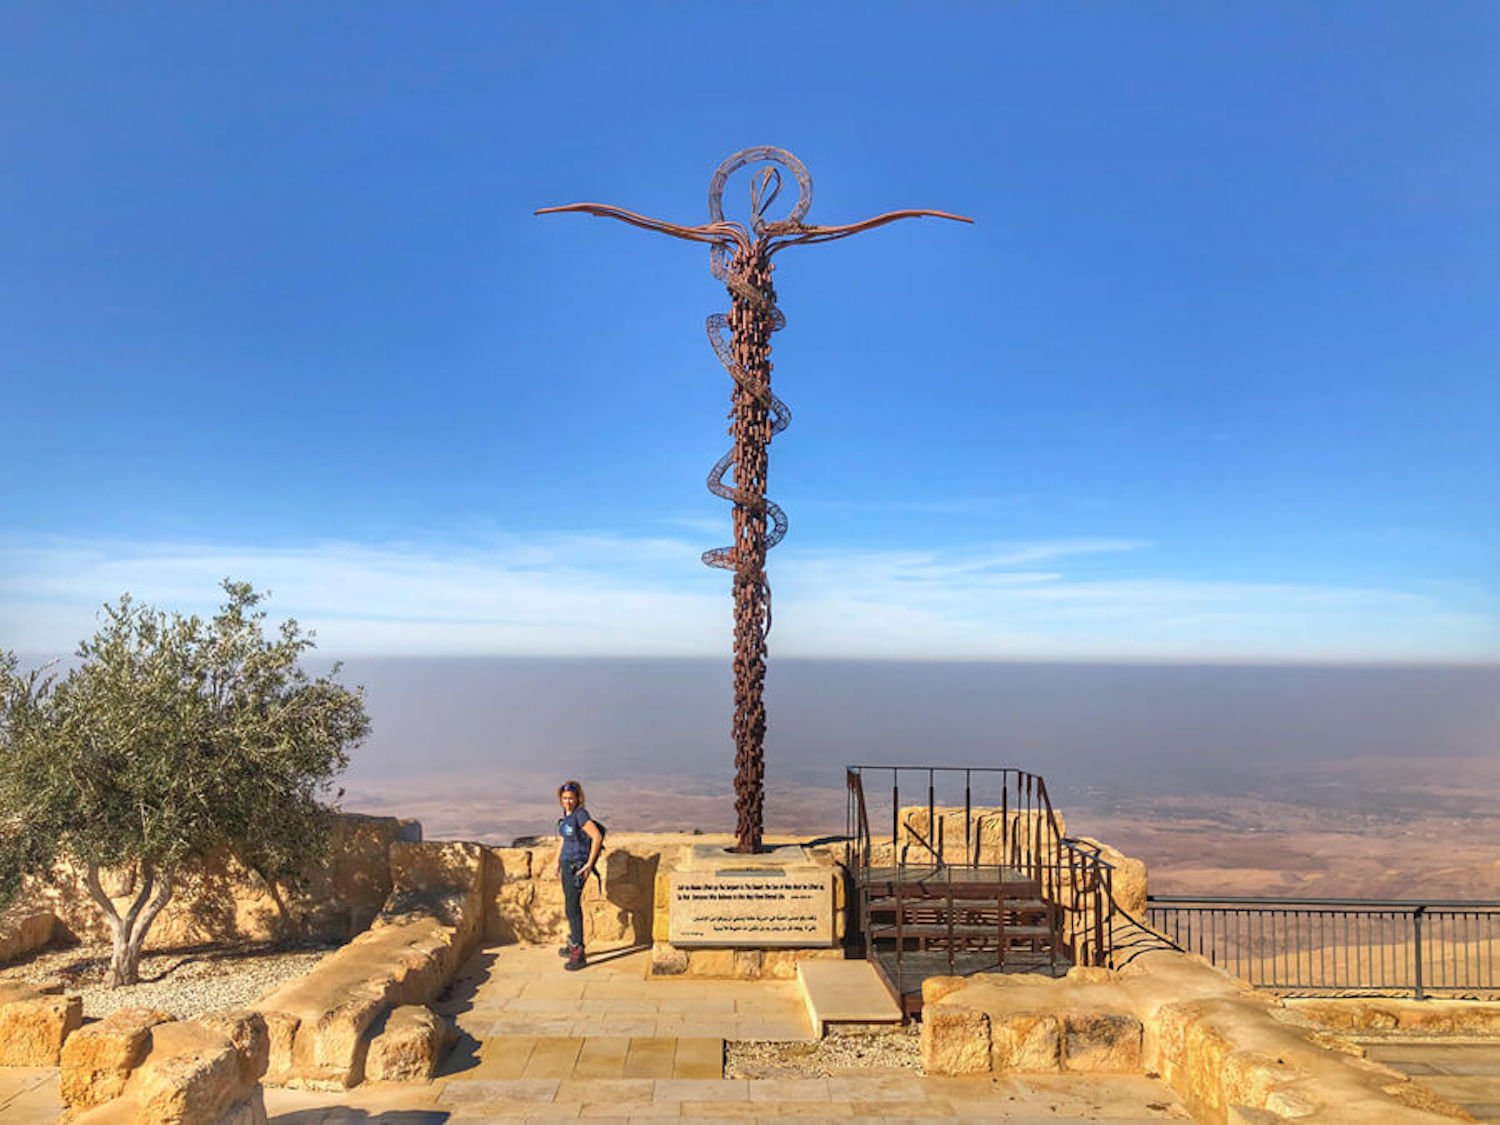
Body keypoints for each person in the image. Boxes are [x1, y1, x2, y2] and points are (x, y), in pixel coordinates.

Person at [556, 779, 603, 971]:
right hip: (566, 864)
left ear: (578, 799)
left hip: (576, 865)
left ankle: (579, 951)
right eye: (565, 798)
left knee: (573, 907)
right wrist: (557, 862)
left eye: (571, 798)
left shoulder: (581, 815)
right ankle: (573, 942)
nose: (568, 801)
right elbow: (564, 840)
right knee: (570, 906)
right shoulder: (567, 816)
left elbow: (597, 837)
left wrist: (589, 864)